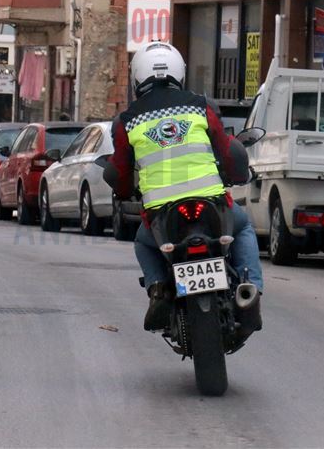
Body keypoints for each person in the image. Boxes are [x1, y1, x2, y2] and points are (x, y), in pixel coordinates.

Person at [108, 41, 264, 331]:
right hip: (211, 203)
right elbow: (226, 151)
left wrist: (123, 191)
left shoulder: (126, 122)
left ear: (137, 79)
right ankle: (250, 289)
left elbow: (121, 172)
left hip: (161, 213)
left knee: (143, 242)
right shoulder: (200, 107)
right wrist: (235, 174)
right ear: (179, 73)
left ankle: (158, 289)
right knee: (242, 228)